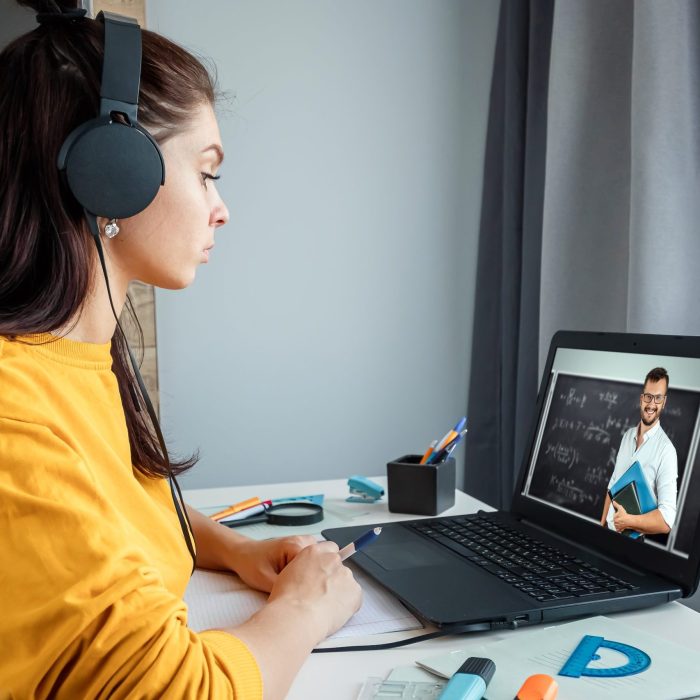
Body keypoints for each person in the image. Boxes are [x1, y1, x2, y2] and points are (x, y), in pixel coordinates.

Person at [0, 2, 361, 698]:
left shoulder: (74, 361)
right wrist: (304, 610)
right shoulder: (15, 418)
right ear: (111, 173)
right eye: (206, 171)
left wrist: (234, 549)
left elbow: (107, 514)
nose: (220, 207)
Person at [599, 367, 678, 536]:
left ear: (664, 402)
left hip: (631, 544)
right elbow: (612, 485)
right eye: (648, 397)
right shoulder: (627, 436)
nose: (651, 404)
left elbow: (667, 520)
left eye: (658, 398)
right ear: (641, 399)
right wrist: (601, 526)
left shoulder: (667, 452)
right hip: (607, 535)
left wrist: (628, 521)